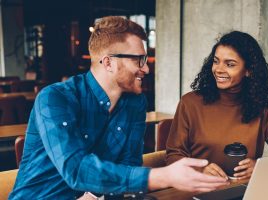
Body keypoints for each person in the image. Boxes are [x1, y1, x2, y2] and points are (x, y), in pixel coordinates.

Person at [9, 16, 228, 199]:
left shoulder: (135, 103)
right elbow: (77, 170)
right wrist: (164, 176)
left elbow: (128, 167)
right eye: (139, 60)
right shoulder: (55, 98)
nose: (146, 69)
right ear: (109, 63)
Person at [166, 31, 268, 180]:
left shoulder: (261, 106)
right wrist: (200, 169)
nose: (218, 69)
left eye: (230, 64)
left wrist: (260, 166)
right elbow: (174, 155)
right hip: (199, 187)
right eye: (216, 61)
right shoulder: (190, 103)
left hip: (243, 190)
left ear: (248, 70)